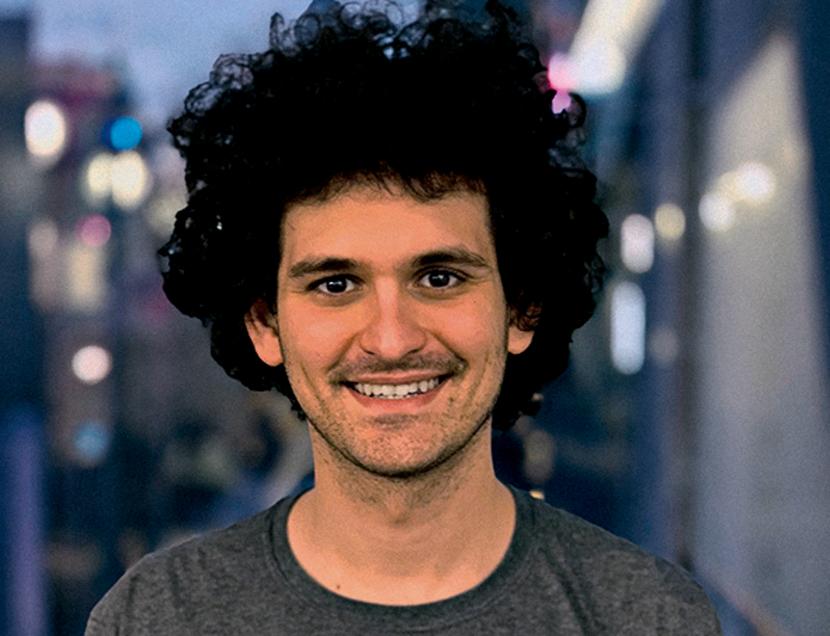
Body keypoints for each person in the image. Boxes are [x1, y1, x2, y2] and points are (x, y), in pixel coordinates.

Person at [86, 1, 721, 633]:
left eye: (439, 278)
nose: (391, 340)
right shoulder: (158, 618)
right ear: (265, 325)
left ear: (521, 308)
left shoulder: (647, 618)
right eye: (336, 285)